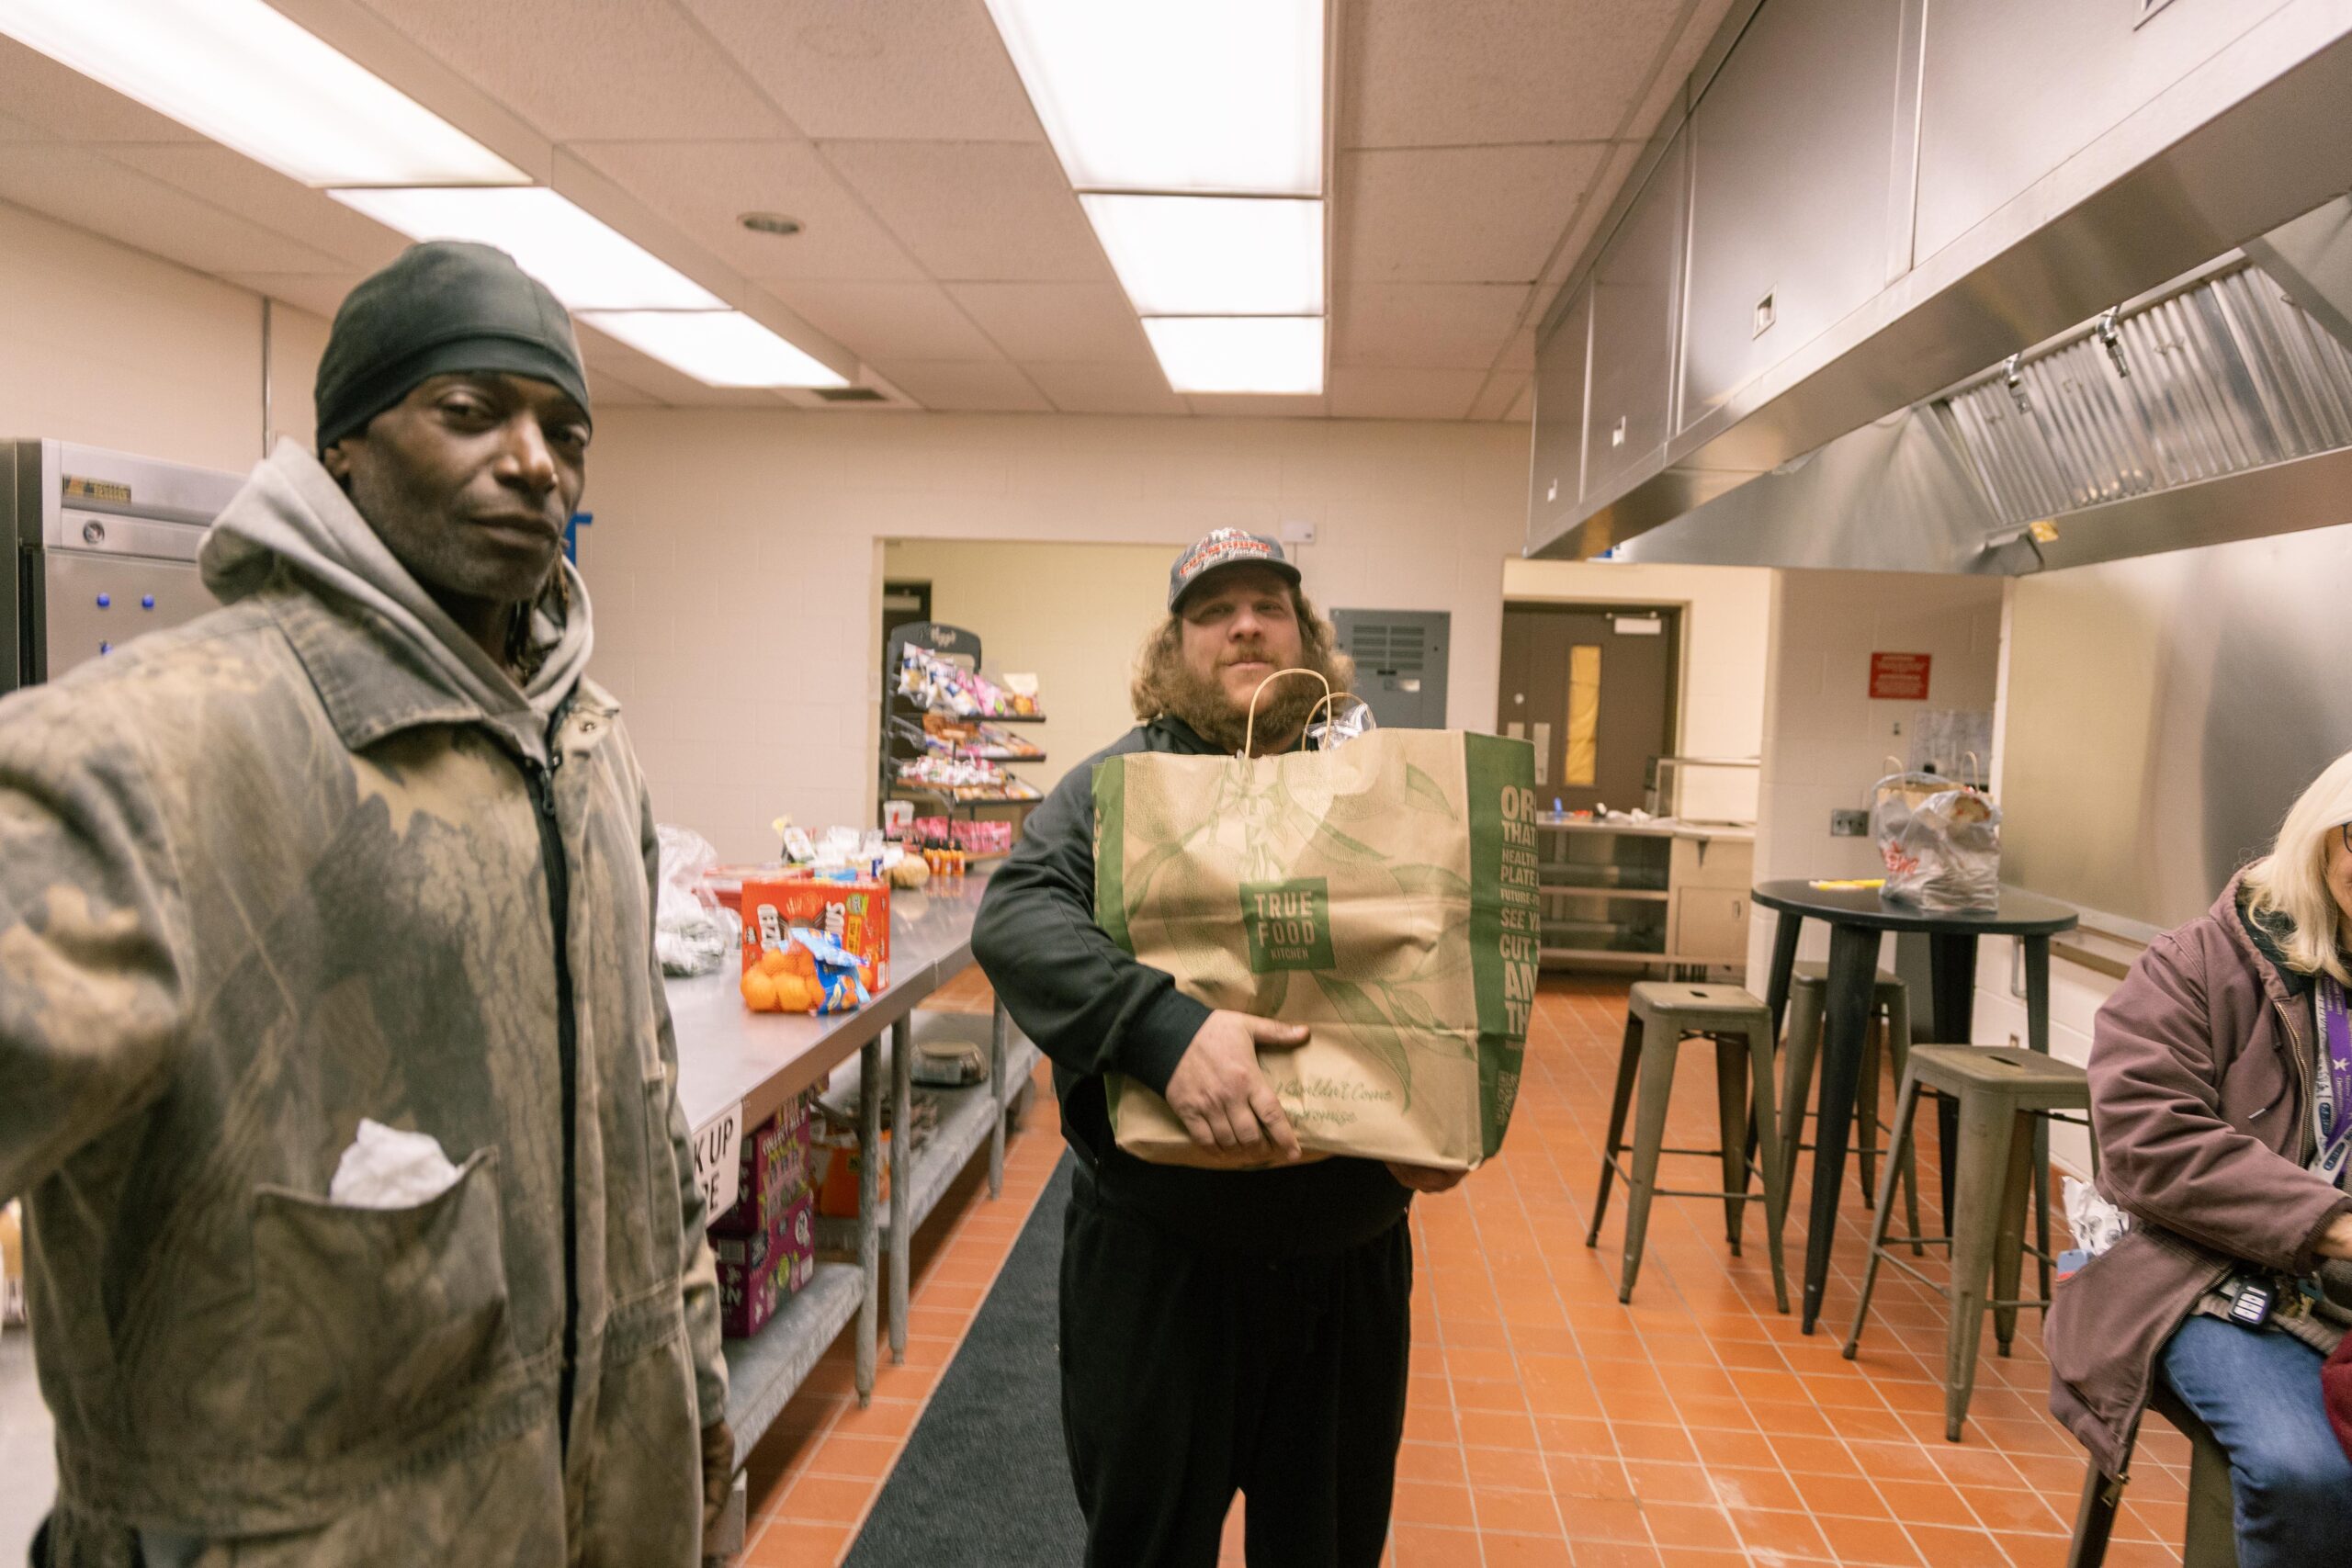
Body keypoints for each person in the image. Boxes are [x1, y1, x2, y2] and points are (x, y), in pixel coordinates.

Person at [0, 242, 731, 1567]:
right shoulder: (152, 754)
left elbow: (647, 1121)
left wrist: (700, 1412)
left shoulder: (586, 744)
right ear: (342, 448)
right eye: (470, 411)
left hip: (605, 1514)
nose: (535, 461)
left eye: (565, 429)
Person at [972, 528, 1462, 1568]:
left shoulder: (1378, 785)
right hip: (1159, 1270)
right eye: (1213, 611)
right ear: (1172, 650)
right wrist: (1164, 1032)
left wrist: (1448, 1115)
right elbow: (1017, 919)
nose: (1245, 625)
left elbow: (1452, 956)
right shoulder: (1116, 786)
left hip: (1348, 1263)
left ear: (1305, 637)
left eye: (1269, 606)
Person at [2050, 749, 2352, 1564]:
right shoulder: (2199, 962)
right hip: (2201, 1272)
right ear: (2319, 841)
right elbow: (2150, 1143)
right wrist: (2334, 1224)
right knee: (2305, 1472)